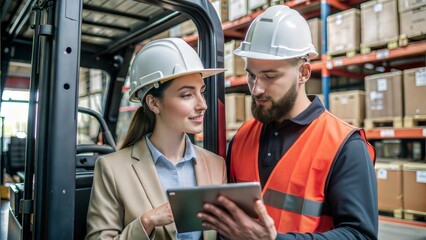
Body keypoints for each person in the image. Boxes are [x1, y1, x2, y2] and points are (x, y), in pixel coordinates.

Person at [197, 5, 378, 240]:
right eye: (251, 75)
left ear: (303, 73)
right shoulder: (242, 138)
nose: (256, 88)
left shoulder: (345, 145)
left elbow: (360, 235)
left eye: (270, 76)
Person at [86, 38, 227, 240]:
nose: (202, 104)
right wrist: (147, 222)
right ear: (154, 103)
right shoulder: (112, 169)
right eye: (187, 95)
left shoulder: (216, 165)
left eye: (201, 92)